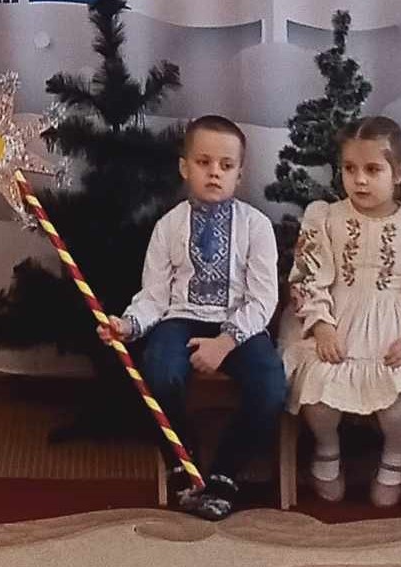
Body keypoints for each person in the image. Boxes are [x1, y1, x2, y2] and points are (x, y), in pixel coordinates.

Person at [98, 116, 284, 521]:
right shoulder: (168, 227)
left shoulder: (256, 227)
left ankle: (224, 474)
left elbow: (263, 299)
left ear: (239, 174)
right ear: (185, 167)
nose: (214, 172)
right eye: (203, 162)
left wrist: (225, 342)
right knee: (159, 370)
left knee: (271, 385)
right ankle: (184, 463)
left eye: (226, 165)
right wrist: (128, 325)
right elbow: (154, 296)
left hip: (240, 326)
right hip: (181, 318)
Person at [282, 117, 401, 506]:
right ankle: (327, 450)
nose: (359, 180)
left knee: (400, 408)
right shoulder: (326, 219)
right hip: (337, 324)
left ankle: (393, 461)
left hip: (391, 334)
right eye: (350, 169)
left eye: (372, 170)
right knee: (320, 400)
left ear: (398, 174)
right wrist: (321, 326)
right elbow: (309, 278)